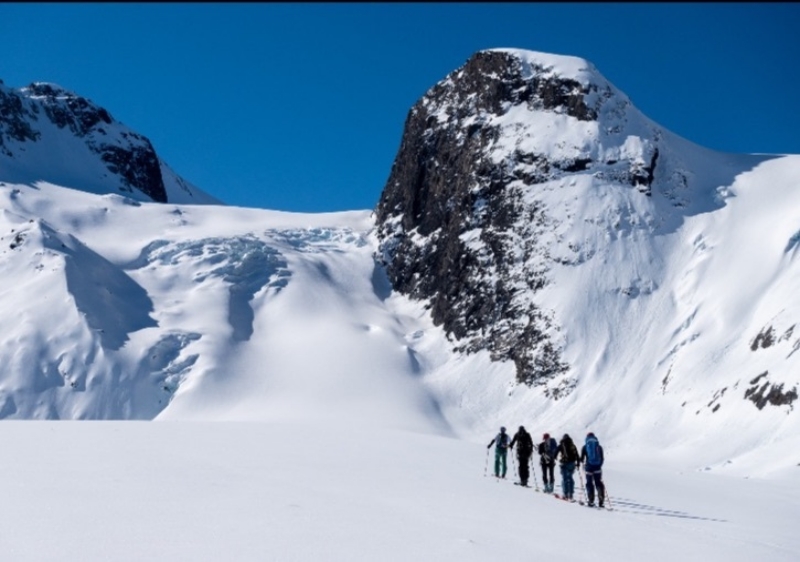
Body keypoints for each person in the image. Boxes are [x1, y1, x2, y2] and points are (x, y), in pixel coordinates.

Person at [580, 432, 606, 507]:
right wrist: (599, 465)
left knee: (589, 483)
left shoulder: (585, 446)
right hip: (597, 467)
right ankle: (601, 500)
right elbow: (602, 458)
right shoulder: (599, 446)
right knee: (598, 482)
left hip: (588, 467)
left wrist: (582, 464)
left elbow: (581, 459)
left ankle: (591, 500)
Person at [556, 433, 579, 500]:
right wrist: (578, 463)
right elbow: (577, 455)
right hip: (572, 464)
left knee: (564, 479)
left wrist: (555, 458)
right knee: (570, 478)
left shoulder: (561, 445)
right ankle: (571, 494)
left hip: (564, 463)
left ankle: (565, 494)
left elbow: (555, 453)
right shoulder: (572, 445)